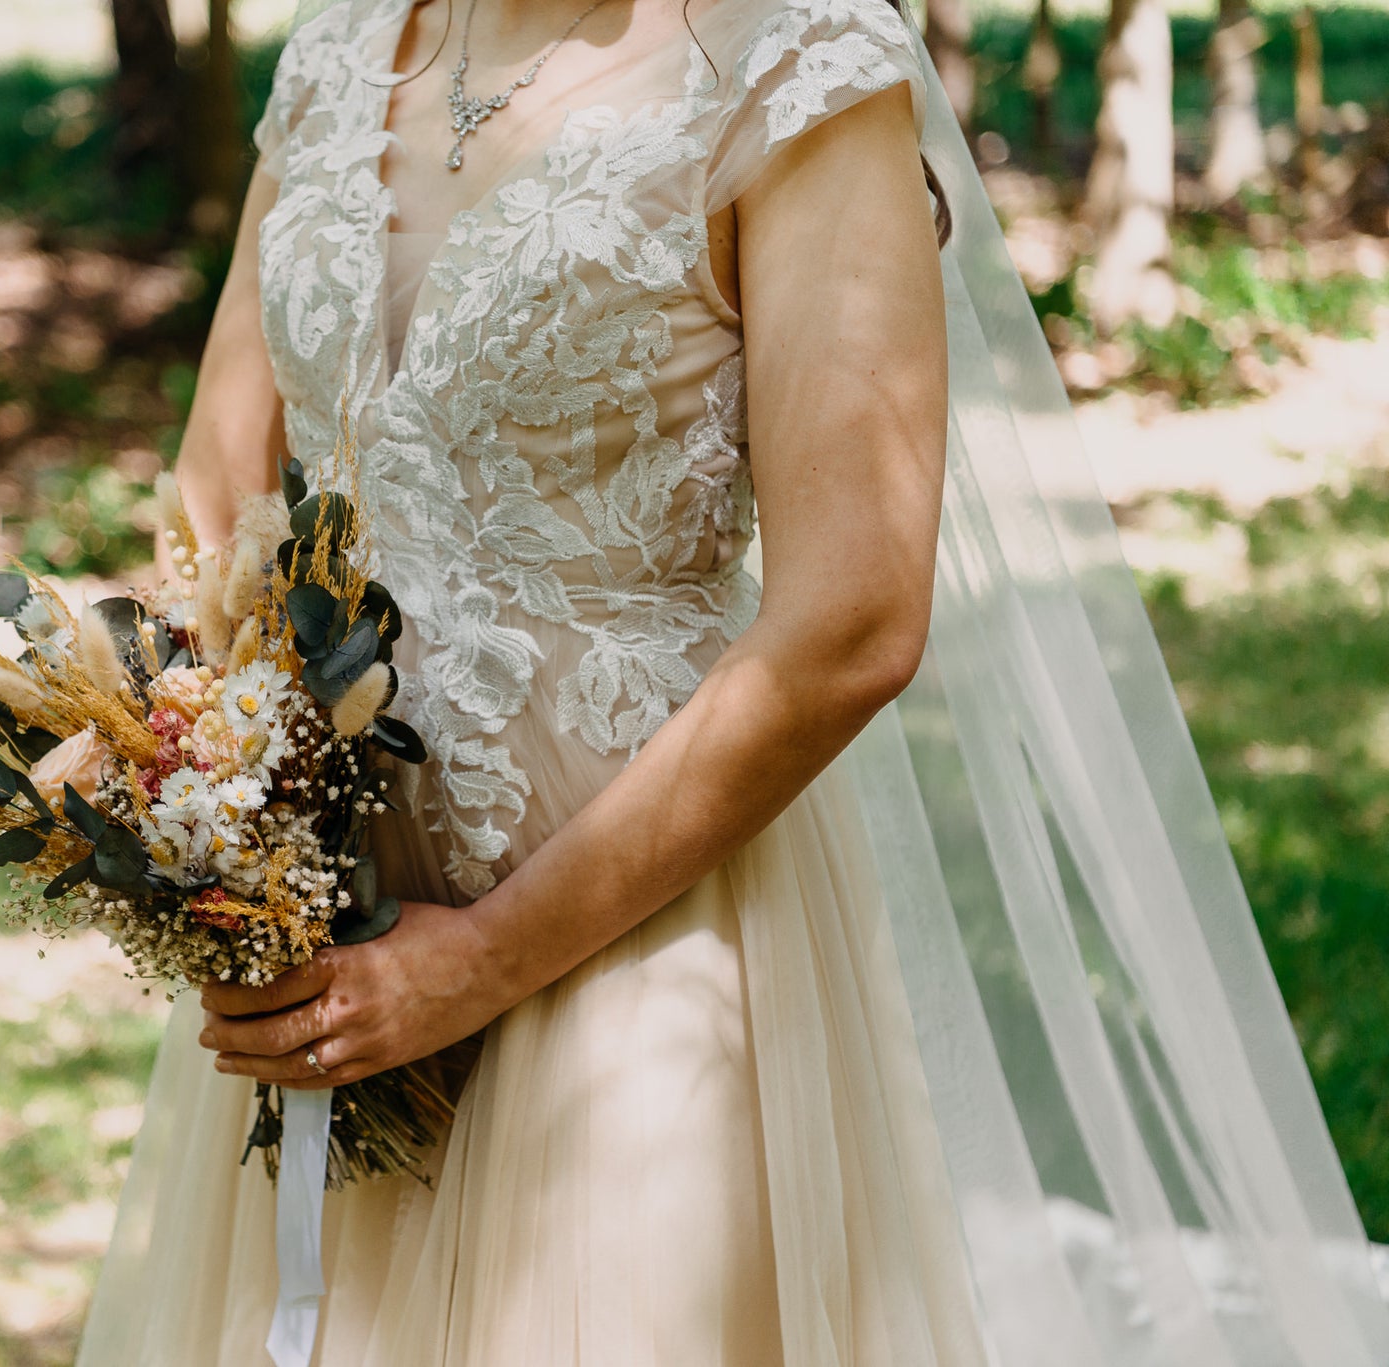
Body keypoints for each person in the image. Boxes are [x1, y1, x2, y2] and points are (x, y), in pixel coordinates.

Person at [75, 1, 1389, 1363]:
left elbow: (857, 619)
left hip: (635, 931)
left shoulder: (795, 67)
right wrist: (214, 821)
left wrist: (484, 963)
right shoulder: (341, 51)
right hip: (330, 926)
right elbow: (215, 492)